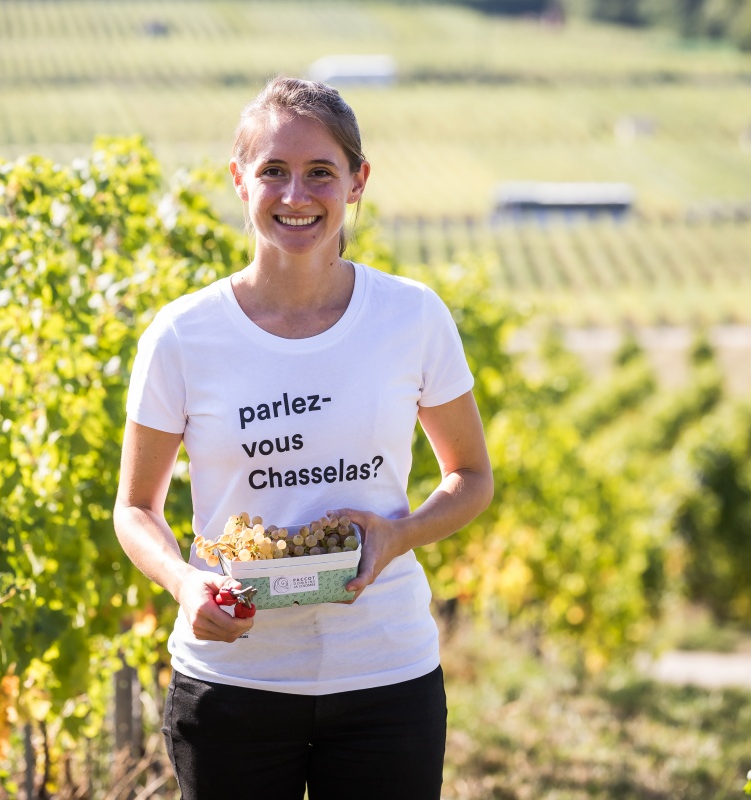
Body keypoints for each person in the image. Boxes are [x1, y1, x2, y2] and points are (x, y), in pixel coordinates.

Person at [112, 76, 493, 799]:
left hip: (387, 678)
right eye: (273, 172)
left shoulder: (411, 316)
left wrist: (397, 535)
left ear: (357, 183)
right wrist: (185, 582)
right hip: (233, 684)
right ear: (238, 179)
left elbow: (472, 476)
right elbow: (135, 508)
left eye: (321, 172)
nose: (296, 195)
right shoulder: (183, 335)